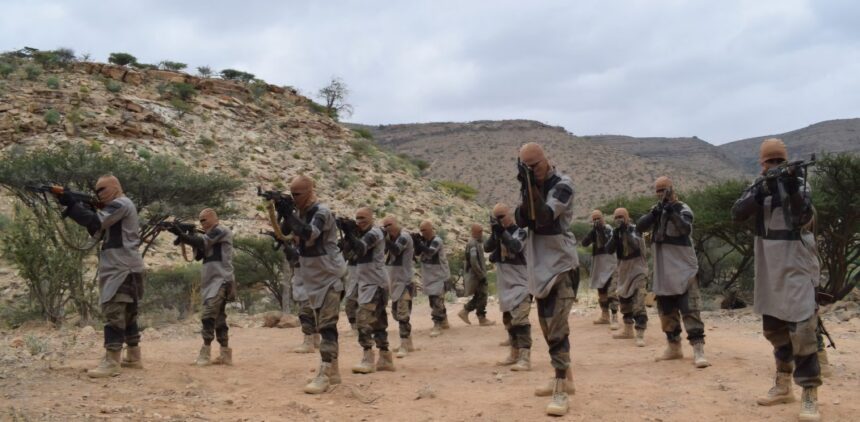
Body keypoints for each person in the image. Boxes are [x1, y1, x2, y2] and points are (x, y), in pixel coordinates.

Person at [731, 138, 821, 421]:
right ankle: (783, 384)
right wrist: (762, 191)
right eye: (770, 163)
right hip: (769, 266)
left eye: (778, 162)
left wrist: (790, 188)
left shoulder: (801, 185)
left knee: (802, 330)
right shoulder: (757, 187)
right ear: (761, 164)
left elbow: (802, 214)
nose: (774, 167)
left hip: (795, 263)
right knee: (773, 328)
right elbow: (737, 213)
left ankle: (809, 394)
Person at [58, 175, 145, 378]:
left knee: (113, 311)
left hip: (120, 267)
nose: (99, 194)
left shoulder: (120, 203)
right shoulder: (118, 207)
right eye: (96, 191)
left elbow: (95, 220)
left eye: (102, 190)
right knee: (128, 312)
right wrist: (77, 207)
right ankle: (133, 356)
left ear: (115, 187)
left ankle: (112, 361)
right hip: (128, 266)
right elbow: (96, 228)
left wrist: (73, 204)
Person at [515, 142, 579, 416]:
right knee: (546, 327)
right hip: (540, 267)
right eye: (527, 168)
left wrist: (531, 188)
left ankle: (561, 389)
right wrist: (527, 187)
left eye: (535, 166)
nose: (533, 172)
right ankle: (566, 378)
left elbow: (543, 217)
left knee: (556, 329)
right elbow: (520, 219)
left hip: (561, 266)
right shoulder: (531, 185)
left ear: (546, 160)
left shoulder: (563, 185)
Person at [274, 176, 347, 394]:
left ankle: (325, 372)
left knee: (326, 325)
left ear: (309, 191)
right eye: (291, 194)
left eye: (297, 195)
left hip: (330, 276)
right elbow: (286, 232)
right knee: (323, 324)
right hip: (312, 279)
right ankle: (333, 371)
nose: (294, 198)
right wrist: (282, 211)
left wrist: (289, 213)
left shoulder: (322, 212)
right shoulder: (300, 214)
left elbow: (309, 233)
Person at [636, 176, 711, 368]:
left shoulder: (683, 208)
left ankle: (698, 349)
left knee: (690, 308)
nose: (661, 194)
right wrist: (656, 213)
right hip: (663, 271)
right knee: (666, 311)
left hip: (683, 268)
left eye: (664, 190)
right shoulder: (656, 210)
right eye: (658, 191)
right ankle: (674, 346)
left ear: (672, 189)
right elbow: (639, 227)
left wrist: (672, 212)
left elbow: (686, 229)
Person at [171, 209, 236, 366]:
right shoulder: (209, 236)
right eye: (200, 220)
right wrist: (183, 235)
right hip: (211, 282)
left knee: (208, 315)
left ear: (214, 219)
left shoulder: (220, 230)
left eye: (204, 220)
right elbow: (199, 254)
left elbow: (201, 242)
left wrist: (182, 234)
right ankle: (225, 354)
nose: (202, 223)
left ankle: (205, 353)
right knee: (219, 318)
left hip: (221, 280)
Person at [341, 208, 395, 373]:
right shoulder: (363, 234)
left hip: (376, 283)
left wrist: (350, 233)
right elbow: (346, 253)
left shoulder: (376, 233)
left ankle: (368, 357)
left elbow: (362, 248)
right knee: (377, 321)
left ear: (372, 218)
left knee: (363, 318)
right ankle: (385, 357)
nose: (360, 221)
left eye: (363, 218)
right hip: (367, 283)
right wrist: (346, 235)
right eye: (357, 218)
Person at [486, 203, 531, 371]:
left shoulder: (521, 232)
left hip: (521, 283)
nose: (500, 220)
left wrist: (501, 232)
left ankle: (525, 358)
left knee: (520, 320)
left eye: (501, 217)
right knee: (509, 322)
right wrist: (494, 232)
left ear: (509, 215)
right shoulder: (498, 234)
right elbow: (487, 247)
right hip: (505, 284)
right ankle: (514, 353)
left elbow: (516, 246)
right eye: (496, 218)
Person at [606, 208, 648, 347]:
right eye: (616, 217)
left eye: (621, 216)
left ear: (627, 217)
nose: (619, 219)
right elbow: (609, 249)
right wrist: (616, 234)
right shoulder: (616, 232)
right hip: (624, 271)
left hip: (638, 270)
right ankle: (628, 330)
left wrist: (625, 231)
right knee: (625, 301)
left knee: (639, 302)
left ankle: (640, 333)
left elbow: (635, 246)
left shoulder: (636, 230)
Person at [381, 215, 417, 358]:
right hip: (394, 282)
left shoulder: (404, 237)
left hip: (405, 282)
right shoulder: (390, 238)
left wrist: (385, 238)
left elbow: (396, 250)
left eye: (389, 225)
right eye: (385, 226)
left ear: (396, 223)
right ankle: (409, 342)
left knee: (402, 314)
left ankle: (404, 344)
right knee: (396, 314)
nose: (387, 228)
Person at [581, 210, 620, 330]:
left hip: (610, 264)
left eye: (598, 218)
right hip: (599, 265)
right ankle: (605, 315)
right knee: (601, 291)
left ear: (603, 218)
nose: (596, 221)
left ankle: (614, 317)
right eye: (594, 219)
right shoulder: (594, 231)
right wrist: (593, 230)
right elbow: (584, 243)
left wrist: (600, 229)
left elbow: (605, 243)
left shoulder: (609, 230)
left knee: (612, 292)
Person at [413, 220, 451, 337]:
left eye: (424, 230)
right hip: (429, 277)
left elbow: (430, 252)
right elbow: (418, 253)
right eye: (421, 230)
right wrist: (416, 242)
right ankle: (444, 321)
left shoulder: (436, 241)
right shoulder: (425, 241)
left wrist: (419, 243)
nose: (422, 232)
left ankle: (437, 324)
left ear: (431, 229)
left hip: (439, 276)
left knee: (437, 301)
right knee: (434, 301)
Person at [458, 224, 495, 326]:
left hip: (476, 275)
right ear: (474, 232)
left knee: (479, 295)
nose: (481, 234)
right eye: (479, 232)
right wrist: (481, 275)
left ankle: (465, 311)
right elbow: (474, 262)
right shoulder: (473, 244)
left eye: (481, 231)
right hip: (477, 276)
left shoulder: (475, 243)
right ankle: (481, 318)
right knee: (482, 295)